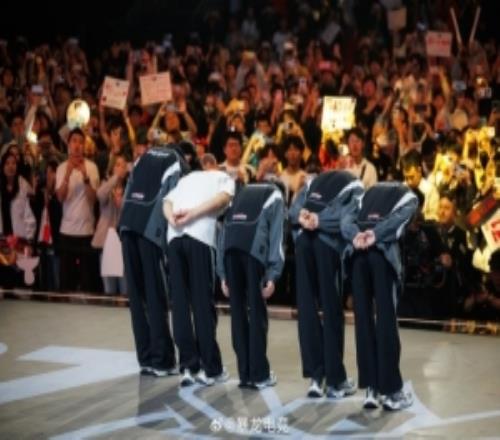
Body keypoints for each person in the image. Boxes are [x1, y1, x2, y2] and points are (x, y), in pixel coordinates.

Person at [341, 181, 418, 411]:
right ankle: (392, 392)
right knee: (386, 320)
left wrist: (356, 235)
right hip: (381, 256)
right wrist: (375, 234)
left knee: (363, 322)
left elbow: (345, 220)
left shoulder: (366, 195)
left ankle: (371, 390)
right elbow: (399, 220)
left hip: (357, 256)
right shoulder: (408, 196)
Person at [289, 170, 363, 398]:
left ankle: (315, 378)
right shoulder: (356, 186)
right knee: (331, 310)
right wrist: (319, 221)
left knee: (307, 308)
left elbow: (293, 210)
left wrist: (303, 218)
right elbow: (346, 220)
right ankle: (335, 381)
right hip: (327, 244)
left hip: (303, 242)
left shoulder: (314, 181)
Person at [163, 165, 234, 387]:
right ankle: (211, 369)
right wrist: (193, 214)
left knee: (180, 304)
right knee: (202, 302)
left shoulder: (186, 179)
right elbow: (222, 200)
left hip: (174, 237)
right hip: (200, 237)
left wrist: (173, 219)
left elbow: (166, 203)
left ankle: (187, 366)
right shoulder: (224, 177)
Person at [118, 144, 186, 377]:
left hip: (127, 224)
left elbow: (128, 190)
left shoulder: (143, 157)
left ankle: (146, 358)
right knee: (155, 293)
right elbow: (173, 199)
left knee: (137, 296)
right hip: (149, 230)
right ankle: (162, 361)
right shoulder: (176, 162)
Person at [217, 180, 285, 389]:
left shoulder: (241, 193)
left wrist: (222, 274)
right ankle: (259, 375)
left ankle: (245, 375)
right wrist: (273, 275)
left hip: (230, 250)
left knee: (237, 313)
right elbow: (277, 237)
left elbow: (223, 231)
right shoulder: (276, 195)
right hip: (254, 250)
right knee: (257, 313)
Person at [55, 128, 100, 292]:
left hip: (87, 232)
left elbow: (93, 199)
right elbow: (60, 198)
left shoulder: (92, 167)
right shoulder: (61, 168)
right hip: (66, 232)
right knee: (66, 283)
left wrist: (86, 178)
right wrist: (67, 174)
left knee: (88, 283)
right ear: (68, 144)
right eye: (74, 141)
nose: (77, 145)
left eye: (81, 142)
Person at [92, 155, 129, 295]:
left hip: (123, 242)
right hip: (106, 242)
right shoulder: (106, 184)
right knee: (109, 289)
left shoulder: (129, 186)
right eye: (118, 165)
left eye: (123, 165)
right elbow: (100, 195)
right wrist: (115, 178)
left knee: (125, 288)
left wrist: (121, 202)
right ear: (112, 167)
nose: (121, 168)